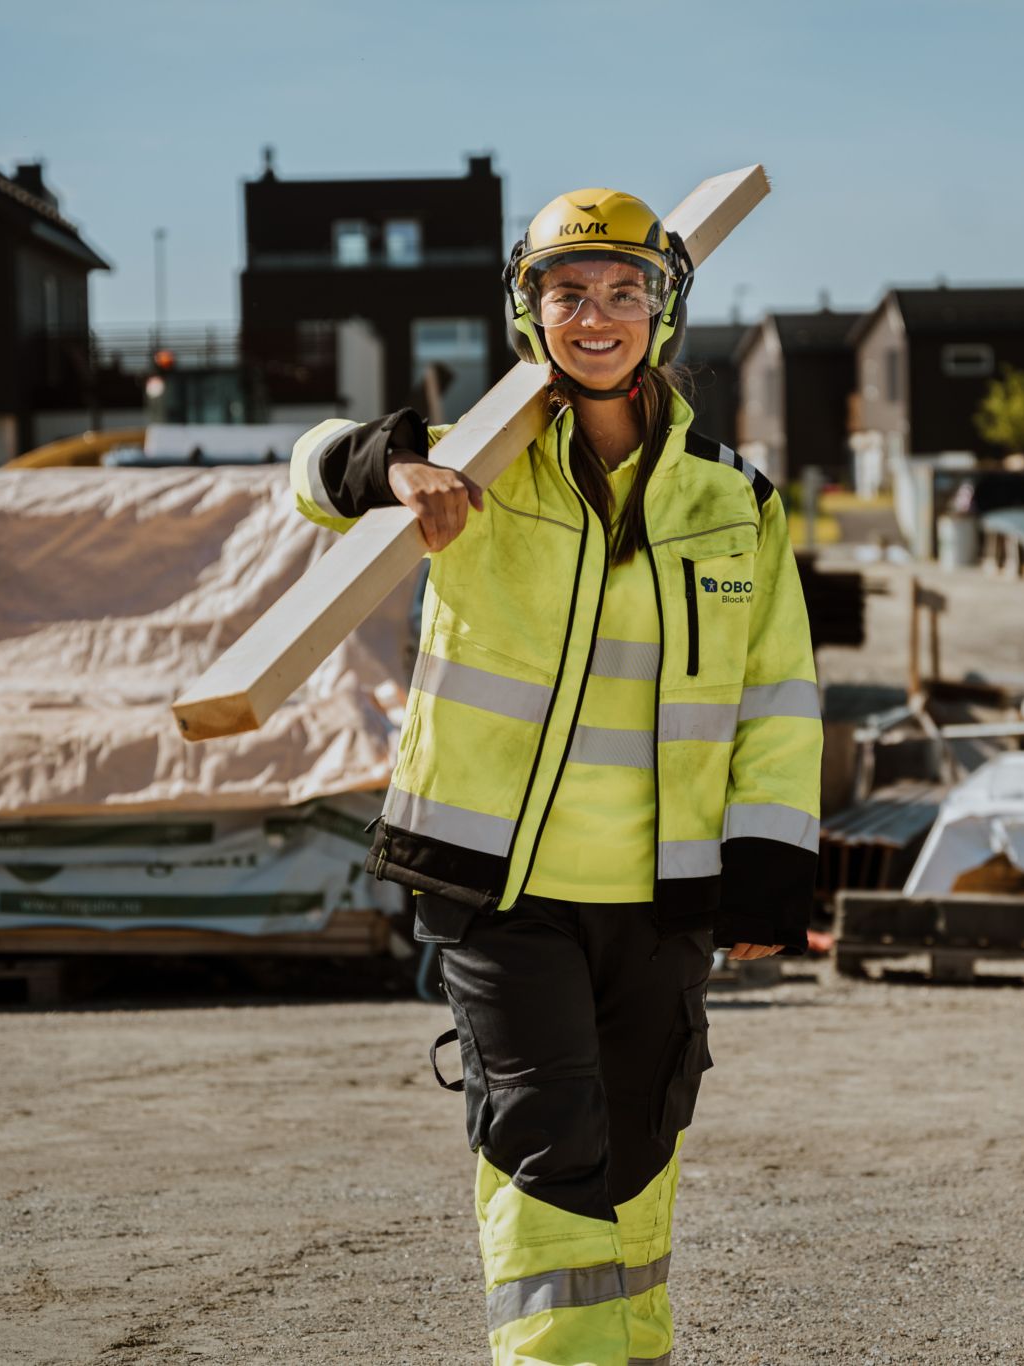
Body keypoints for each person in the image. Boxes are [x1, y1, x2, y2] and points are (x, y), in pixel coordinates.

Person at [289, 187, 821, 1366]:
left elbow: (776, 697)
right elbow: (308, 472)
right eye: (566, 293)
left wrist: (768, 868)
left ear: (662, 311)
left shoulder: (732, 500)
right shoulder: (478, 469)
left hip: (663, 888)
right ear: (528, 313)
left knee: (640, 1139)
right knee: (547, 1136)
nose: (596, 316)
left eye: (624, 292)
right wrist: (391, 466)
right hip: (499, 882)